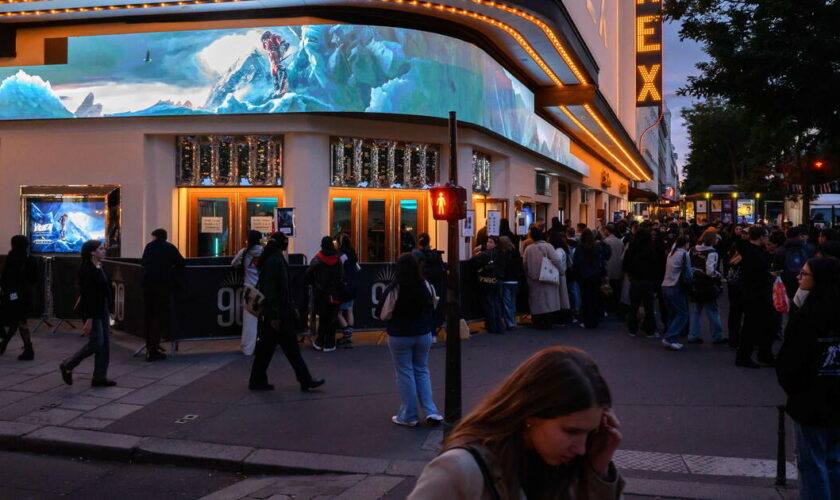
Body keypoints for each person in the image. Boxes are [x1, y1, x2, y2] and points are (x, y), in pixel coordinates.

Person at [408, 347, 624, 499]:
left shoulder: (570, 466)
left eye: (589, 433)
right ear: (530, 414)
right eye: (570, 431)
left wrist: (598, 473)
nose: (581, 448)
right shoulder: (458, 472)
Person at [776, 258, 840, 500]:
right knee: (834, 460)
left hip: (810, 401)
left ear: (818, 281)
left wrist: (796, 391)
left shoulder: (807, 316)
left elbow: (789, 362)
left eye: (804, 274)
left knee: (812, 463)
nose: (799, 278)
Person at [249, 233, 325, 392]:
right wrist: (275, 315)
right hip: (279, 315)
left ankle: (258, 380)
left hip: (277, 314)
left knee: (269, 349)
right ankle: (304, 379)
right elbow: (274, 291)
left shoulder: (272, 260)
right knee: (288, 350)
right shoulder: (275, 261)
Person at [379, 253, 443, 427]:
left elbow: (384, 313)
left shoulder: (395, 288)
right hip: (423, 333)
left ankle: (409, 415)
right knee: (422, 370)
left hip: (399, 334)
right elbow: (433, 304)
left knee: (405, 372)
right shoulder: (426, 285)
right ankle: (431, 411)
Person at [59, 240, 115, 387]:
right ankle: (68, 364)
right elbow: (88, 294)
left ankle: (99, 377)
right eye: (101, 249)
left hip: (102, 309)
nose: (104, 251)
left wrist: (111, 309)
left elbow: (106, 289)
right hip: (93, 310)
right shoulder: (87, 269)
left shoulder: (98, 266)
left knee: (104, 345)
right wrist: (89, 318)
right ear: (92, 252)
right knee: (96, 343)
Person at [141, 228, 185, 362]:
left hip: (148, 286)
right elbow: (181, 263)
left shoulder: (149, 247)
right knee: (158, 317)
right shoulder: (169, 248)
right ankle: (153, 349)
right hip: (163, 286)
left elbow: (143, 262)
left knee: (149, 316)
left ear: (155, 236)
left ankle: (150, 346)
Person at [736, 227, 776, 368]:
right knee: (752, 326)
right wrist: (769, 275)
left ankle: (753, 355)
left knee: (753, 325)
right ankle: (746, 356)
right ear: (761, 237)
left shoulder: (749, 250)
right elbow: (757, 273)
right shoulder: (755, 253)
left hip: (751, 292)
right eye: (766, 236)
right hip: (756, 293)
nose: (767, 239)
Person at [0, 235, 38, 360]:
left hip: (13, 294)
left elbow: (6, 278)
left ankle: (28, 349)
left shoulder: (12, 258)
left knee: (18, 321)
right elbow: (34, 278)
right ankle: (5, 344)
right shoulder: (31, 259)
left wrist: (7, 292)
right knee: (18, 320)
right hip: (26, 294)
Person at [686, 230, 726, 344]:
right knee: (712, 310)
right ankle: (718, 335)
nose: (717, 240)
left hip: (695, 282)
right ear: (712, 239)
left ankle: (693, 335)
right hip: (707, 284)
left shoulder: (693, 249)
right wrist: (718, 275)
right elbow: (710, 271)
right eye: (716, 238)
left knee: (695, 310)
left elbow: (688, 264)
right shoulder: (712, 252)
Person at [306, 236, 345, 352]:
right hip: (335, 294)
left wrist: (315, 284)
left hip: (321, 293)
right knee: (332, 319)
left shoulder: (317, 260)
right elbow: (342, 278)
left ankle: (319, 341)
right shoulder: (337, 260)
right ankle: (330, 343)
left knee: (323, 318)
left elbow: (308, 276)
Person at [622, 227, 659, 338]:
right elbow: (656, 267)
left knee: (634, 305)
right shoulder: (651, 250)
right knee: (649, 307)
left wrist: (630, 275)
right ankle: (649, 330)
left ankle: (632, 329)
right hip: (648, 281)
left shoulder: (631, 248)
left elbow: (625, 264)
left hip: (635, 280)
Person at [231, 230, 263, 355]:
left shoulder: (244, 252)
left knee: (250, 321)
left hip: (250, 289)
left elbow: (234, 263)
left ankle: (248, 348)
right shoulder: (264, 251)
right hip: (263, 288)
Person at [523, 228, 562, 329]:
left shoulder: (528, 249)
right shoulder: (548, 246)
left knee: (536, 300)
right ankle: (548, 321)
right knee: (548, 300)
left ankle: (537, 321)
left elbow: (525, 264)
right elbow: (556, 261)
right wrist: (561, 272)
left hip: (533, 278)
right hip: (548, 276)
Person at [660, 236, 692, 351]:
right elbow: (687, 272)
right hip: (676, 286)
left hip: (666, 285)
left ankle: (670, 337)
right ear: (686, 243)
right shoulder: (684, 254)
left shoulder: (671, 253)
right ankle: (670, 337)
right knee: (682, 314)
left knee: (673, 313)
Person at [572, 229, 606, 329]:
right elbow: (601, 262)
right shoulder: (596, 247)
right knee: (594, 297)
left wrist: (576, 276)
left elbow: (576, 263)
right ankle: (594, 319)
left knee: (585, 299)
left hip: (584, 276)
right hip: (595, 276)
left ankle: (586, 319)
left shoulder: (579, 248)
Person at [471, 236, 504, 334]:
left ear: (495, 244)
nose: (488, 244)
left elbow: (473, 259)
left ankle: (492, 326)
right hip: (497, 280)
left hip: (487, 281)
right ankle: (499, 326)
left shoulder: (486, 254)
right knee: (497, 303)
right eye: (488, 242)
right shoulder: (501, 253)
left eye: (491, 242)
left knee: (489, 304)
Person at [336, 233, 359, 347]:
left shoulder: (341, 257)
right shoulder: (352, 255)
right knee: (349, 310)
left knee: (338, 312)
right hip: (353, 285)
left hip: (344, 286)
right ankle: (350, 335)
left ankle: (346, 334)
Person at [497, 236, 521, 330]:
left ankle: (510, 323)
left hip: (506, 280)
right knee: (512, 302)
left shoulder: (502, 253)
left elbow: (502, 267)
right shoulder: (515, 251)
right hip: (514, 280)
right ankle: (513, 321)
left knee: (506, 302)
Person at [600, 225, 624, 316]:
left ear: (607, 231)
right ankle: (616, 307)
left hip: (608, 268)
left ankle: (608, 307)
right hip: (618, 268)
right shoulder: (620, 242)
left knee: (607, 290)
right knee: (617, 288)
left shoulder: (606, 241)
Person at [548, 231, 572, 323]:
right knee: (563, 298)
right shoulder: (562, 250)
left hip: (558, 276)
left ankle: (561, 318)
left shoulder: (557, 251)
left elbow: (557, 262)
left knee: (560, 298)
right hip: (561, 275)